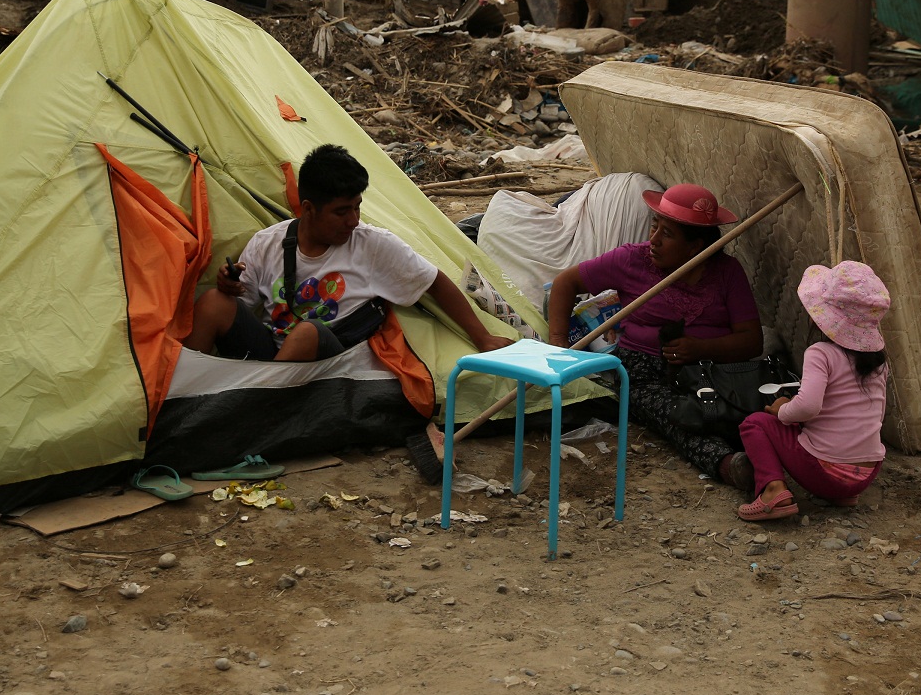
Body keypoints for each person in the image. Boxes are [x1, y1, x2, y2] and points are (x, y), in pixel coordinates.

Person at [187, 144, 511, 362]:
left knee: (307, 333)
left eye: (357, 208)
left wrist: (482, 338)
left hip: (326, 362)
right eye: (341, 212)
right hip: (272, 356)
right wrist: (229, 288)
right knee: (213, 302)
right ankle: (184, 398)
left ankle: (255, 405)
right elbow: (239, 305)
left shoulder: (371, 245)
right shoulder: (267, 243)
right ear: (309, 209)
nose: (353, 221)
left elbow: (435, 282)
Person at [546, 183, 762, 482]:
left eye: (667, 234)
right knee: (675, 415)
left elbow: (751, 340)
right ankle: (727, 464)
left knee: (734, 412)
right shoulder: (632, 260)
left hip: (710, 371)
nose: (654, 241)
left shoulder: (727, 272)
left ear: (696, 246)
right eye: (654, 227)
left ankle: (771, 458)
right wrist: (558, 345)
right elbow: (565, 283)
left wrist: (701, 349)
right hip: (642, 371)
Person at [729, 261, 890, 521]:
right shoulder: (878, 361)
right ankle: (842, 494)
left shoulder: (821, 353)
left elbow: (808, 407)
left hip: (826, 471)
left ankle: (773, 490)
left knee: (755, 423)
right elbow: (873, 414)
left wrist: (783, 410)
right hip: (866, 473)